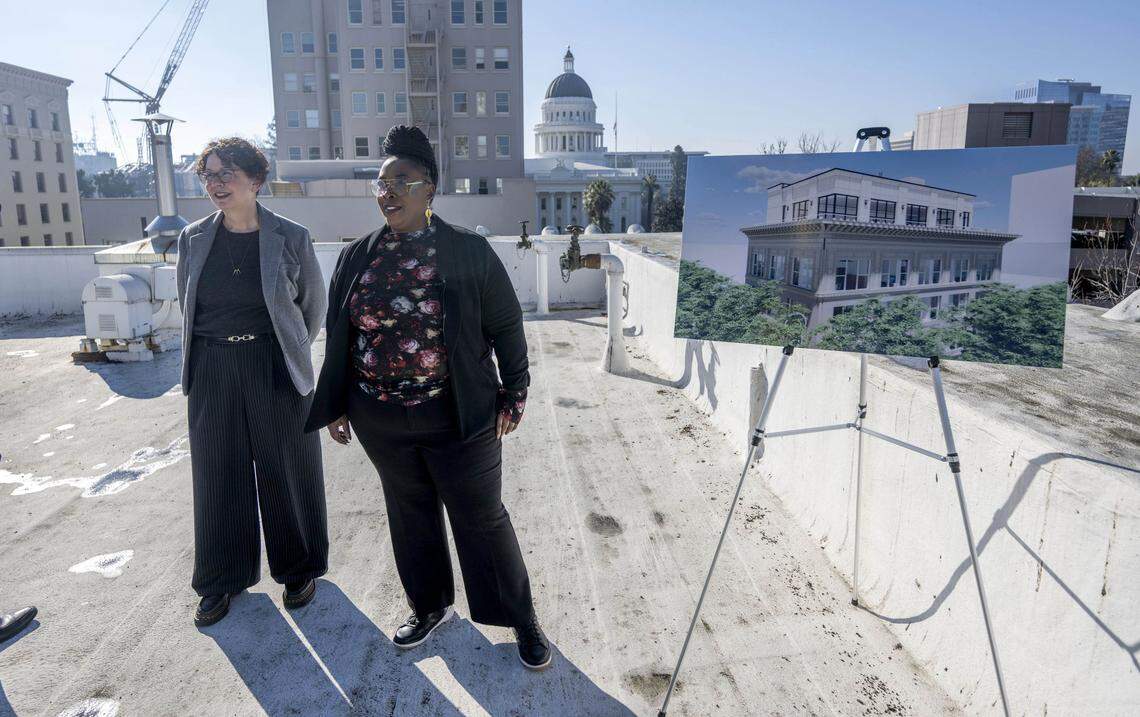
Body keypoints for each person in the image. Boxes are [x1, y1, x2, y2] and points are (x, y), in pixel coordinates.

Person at [306, 125, 550, 670]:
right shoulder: (357, 256)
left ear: (429, 188)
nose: (386, 191)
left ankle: (520, 616)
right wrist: (339, 401)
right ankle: (429, 606)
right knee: (409, 513)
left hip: (457, 412)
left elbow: (507, 326)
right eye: (380, 182)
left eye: (401, 181)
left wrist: (515, 394)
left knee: (481, 517)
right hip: (380, 416)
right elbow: (342, 331)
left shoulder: (467, 250)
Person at [176, 137, 329, 627]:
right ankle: (221, 580)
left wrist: (287, 350)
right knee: (218, 475)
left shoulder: (292, 236)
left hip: (273, 364)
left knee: (286, 467)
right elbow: (188, 302)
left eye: (226, 174)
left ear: (256, 180)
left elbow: (312, 307)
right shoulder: (193, 238)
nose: (216, 184)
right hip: (212, 366)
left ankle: (299, 570)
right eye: (209, 175)